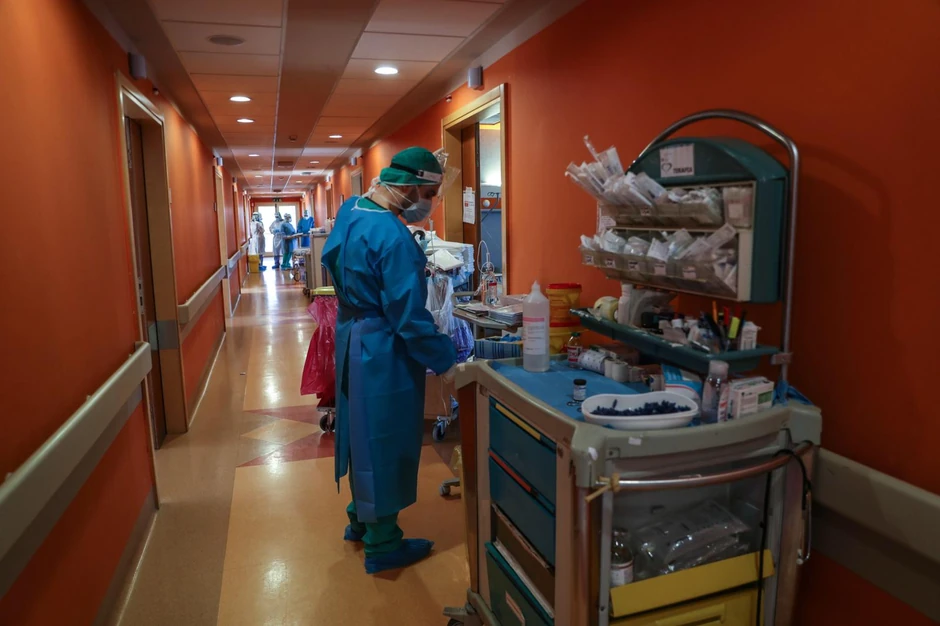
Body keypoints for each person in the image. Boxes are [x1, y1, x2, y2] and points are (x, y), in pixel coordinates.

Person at [322, 147, 457, 575]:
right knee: (384, 438)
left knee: (358, 433)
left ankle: (361, 519)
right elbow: (409, 318)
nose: (429, 203)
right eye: (429, 194)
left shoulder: (352, 210)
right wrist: (446, 359)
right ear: (411, 187)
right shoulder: (394, 238)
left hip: (351, 335)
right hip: (382, 347)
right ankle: (383, 544)